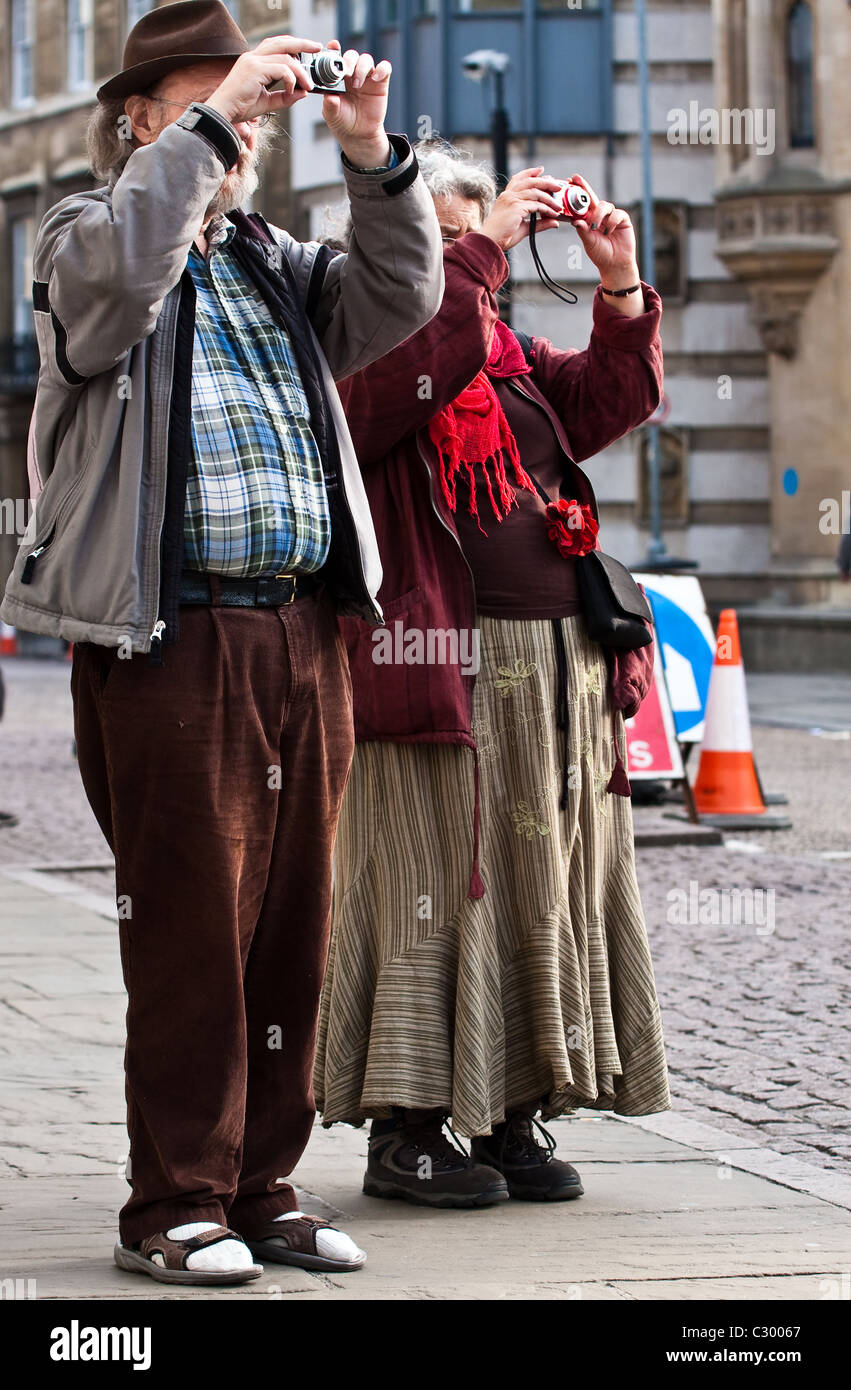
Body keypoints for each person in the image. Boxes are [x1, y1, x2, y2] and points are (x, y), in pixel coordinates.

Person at [1, 1, 443, 1283]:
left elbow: (399, 296)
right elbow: (115, 287)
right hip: (172, 635)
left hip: (303, 629)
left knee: (291, 928)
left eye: (249, 106)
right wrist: (215, 120)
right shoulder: (86, 234)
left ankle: (264, 1186)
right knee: (191, 926)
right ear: (142, 118)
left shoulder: (268, 260)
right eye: (212, 100)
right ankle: (174, 1204)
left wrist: (370, 154)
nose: (245, 127)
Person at [314, 141, 671, 1207]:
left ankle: (514, 1109)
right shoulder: (360, 353)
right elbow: (404, 379)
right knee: (427, 883)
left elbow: (611, 397)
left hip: (555, 669)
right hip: (434, 667)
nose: (469, 255)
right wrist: (476, 251)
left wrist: (615, 279)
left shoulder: (511, 358)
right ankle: (408, 1128)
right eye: (441, 235)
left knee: (536, 886)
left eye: (472, 233)